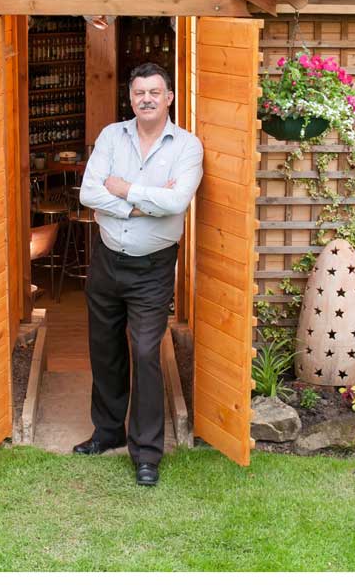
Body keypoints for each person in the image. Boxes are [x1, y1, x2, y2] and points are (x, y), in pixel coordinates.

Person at [74, 61, 204, 487]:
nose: (146, 99)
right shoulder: (113, 136)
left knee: (146, 353)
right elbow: (89, 191)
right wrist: (144, 203)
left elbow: (177, 202)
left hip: (153, 268)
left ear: (169, 97)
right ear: (130, 98)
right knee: (105, 349)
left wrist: (124, 190)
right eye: (138, 93)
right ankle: (107, 432)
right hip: (107, 260)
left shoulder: (187, 146)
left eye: (154, 92)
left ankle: (147, 453)